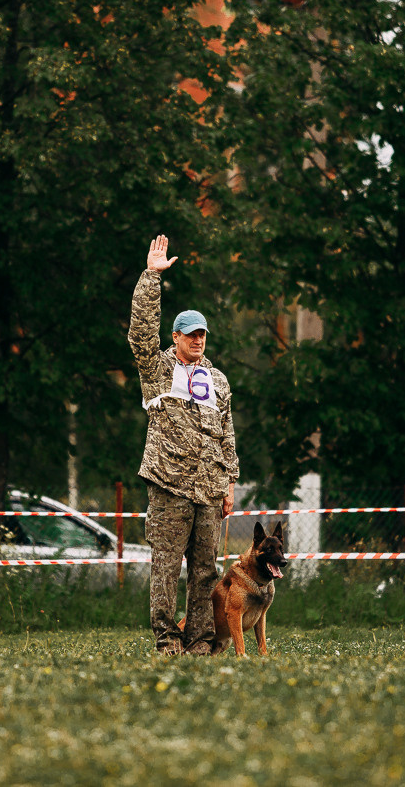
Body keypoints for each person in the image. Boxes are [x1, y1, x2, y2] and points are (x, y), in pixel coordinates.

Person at [128, 234, 239, 656]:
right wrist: (151, 279)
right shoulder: (156, 370)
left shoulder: (218, 380)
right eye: (190, 335)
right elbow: (140, 333)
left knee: (205, 573)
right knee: (165, 568)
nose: (198, 341)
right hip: (169, 485)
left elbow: (226, 432)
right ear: (175, 337)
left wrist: (229, 484)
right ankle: (167, 639)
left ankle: (200, 640)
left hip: (209, 490)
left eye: (203, 335)